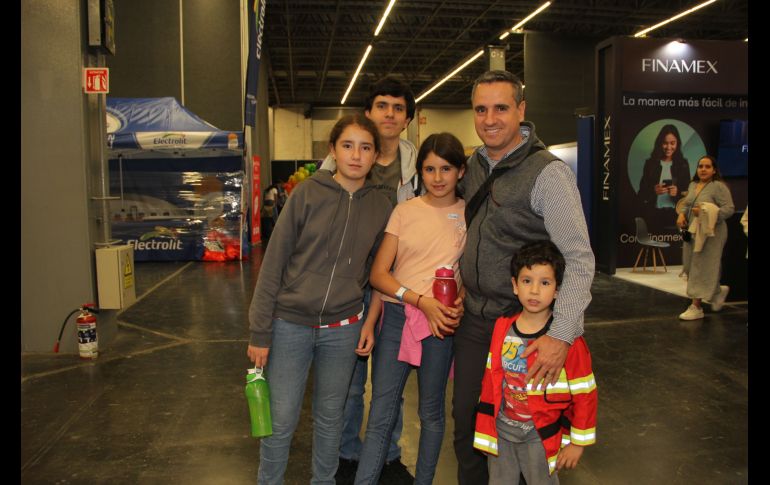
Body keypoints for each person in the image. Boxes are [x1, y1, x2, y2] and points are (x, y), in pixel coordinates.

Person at [453, 70, 595, 485]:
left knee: (524, 433)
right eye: (481, 109)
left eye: (501, 108)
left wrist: (561, 335)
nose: (490, 118)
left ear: (521, 110)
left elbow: (579, 258)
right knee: (471, 427)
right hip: (476, 324)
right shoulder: (475, 165)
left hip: (525, 328)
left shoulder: (548, 174)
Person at [246, 113, 392, 484]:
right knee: (280, 422)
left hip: (343, 329)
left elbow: (379, 274)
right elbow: (273, 264)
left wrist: (369, 323)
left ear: (375, 155)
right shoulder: (307, 194)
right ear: (333, 151)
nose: (356, 156)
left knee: (331, 421)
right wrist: (259, 332)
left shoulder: (381, 206)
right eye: (347, 146)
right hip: (289, 326)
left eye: (365, 148)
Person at [322, 77, 419, 483]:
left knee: (389, 377)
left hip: (396, 284)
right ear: (369, 112)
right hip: (348, 282)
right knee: (347, 376)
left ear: (408, 118)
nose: (390, 114)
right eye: (382, 106)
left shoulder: (416, 165)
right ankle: (346, 454)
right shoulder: (338, 164)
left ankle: (389, 454)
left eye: (398, 108)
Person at [355, 133, 467, 484]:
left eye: (446, 168)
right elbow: (378, 275)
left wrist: (458, 298)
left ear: (461, 172)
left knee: (432, 413)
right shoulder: (404, 211)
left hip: (441, 324)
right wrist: (417, 301)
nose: (437, 177)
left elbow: (468, 269)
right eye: (429, 168)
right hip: (398, 318)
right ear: (420, 172)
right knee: (381, 412)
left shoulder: (470, 214)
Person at [474, 240, 597, 484]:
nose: (534, 291)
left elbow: (586, 393)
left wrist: (577, 442)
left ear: (558, 289)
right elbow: (492, 376)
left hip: (540, 434)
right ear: (514, 285)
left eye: (545, 283)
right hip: (502, 431)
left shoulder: (566, 341)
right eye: (527, 280)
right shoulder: (502, 327)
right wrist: (486, 425)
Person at [676, 155, 735, 320]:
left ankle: (696, 307)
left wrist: (705, 212)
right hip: (693, 232)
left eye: (707, 166)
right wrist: (682, 214)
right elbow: (687, 204)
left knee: (701, 267)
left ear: (714, 170)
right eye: (700, 166)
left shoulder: (719, 187)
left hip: (712, 234)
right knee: (690, 264)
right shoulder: (693, 184)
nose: (703, 169)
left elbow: (729, 209)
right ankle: (717, 292)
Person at [638, 124, 692, 214]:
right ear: (660, 143)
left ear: (677, 143)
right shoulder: (650, 163)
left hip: (677, 214)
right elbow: (641, 193)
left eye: (672, 143)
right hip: (653, 213)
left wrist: (677, 191)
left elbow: (688, 192)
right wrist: (653, 190)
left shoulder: (683, 164)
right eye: (665, 143)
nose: (669, 147)